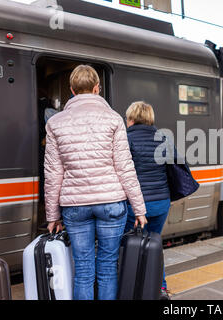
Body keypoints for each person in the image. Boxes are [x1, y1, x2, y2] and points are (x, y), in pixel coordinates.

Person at [44, 65, 147, 300]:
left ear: (71, 90)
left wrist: (52, 216)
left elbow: (53, 173)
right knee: (108, 267)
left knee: (82, 270)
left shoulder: (55, 123)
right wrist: (139, 209)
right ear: (97, 88)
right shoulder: (113, 119)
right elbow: (125, 167)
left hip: (75, 206)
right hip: (111, 203)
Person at [124, 101, 172, 300]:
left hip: (135, 206)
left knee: (130, 246)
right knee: (153, 244)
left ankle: (133, 289)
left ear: (132, 119)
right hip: (161, 202)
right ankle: (159, 288)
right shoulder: (163, 138)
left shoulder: (126, 139)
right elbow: (176, 166)